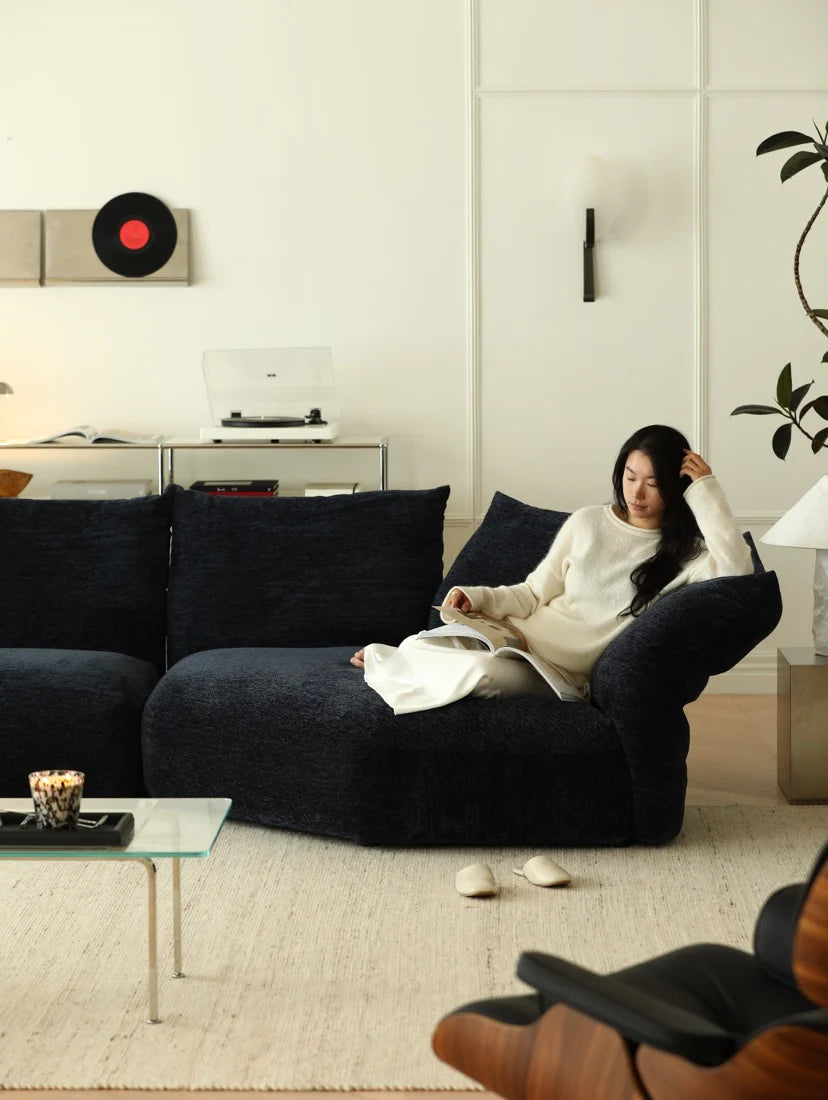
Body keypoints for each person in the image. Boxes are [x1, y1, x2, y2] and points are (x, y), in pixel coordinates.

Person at [351, 424, 753, 715]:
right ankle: (402, 657)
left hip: (558, 675)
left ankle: (391, 664)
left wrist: (706, 489)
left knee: (479, 672)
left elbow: (737, 570)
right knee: (429, 640)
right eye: (630, 477)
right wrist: (479, 597)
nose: (637, 492)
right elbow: (531, 593)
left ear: (677, 487)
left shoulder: (688, 556)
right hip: (517, 636)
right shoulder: (588, 522)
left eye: (653, 482)